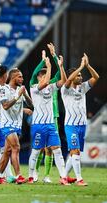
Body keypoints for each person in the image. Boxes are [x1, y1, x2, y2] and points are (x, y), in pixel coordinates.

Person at [27, 51, 69, 185]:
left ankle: (63, 177)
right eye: (43, 75)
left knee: (57, 149)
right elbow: (44, 83)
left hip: (50, 124)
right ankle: (31, 176)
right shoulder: (34, 88)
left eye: (46, 75)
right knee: (36, 151)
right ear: (39, 77)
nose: (46, 78)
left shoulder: (51, 88)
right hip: (38, 124)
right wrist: (47, 64)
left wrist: (60, 66)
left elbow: (63, 81)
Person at [62, 53, 99, 186]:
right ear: (72, 77)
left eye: (80, 75)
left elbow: (96, 77)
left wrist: (87, 66)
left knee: (74, 153)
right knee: (75, 151)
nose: (80, 76)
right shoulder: (65, 90)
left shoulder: (83, 87)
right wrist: (80, 66)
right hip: (70, 125)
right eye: (78, 75)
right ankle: (79, 179)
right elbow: (68, 80)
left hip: (82, 125)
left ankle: (64, 177)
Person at [0, 68, 33, 184]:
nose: (22, 78)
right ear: (13, 77)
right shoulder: (3, 89)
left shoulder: (21, 89)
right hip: (6, 124)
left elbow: (31, 104)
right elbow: (5, 106)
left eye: (22, 77)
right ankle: (19, 176)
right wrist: (17, 96)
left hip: (16, 124)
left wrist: (25, 94)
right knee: (16, 147)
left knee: (7, 151)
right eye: (19, 77)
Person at [31, 43, 62, 183]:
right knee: (40, 149)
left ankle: (47, 175)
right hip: (39, 119)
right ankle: (35, 172)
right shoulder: (34, 84)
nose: (43, 77)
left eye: (45, 75)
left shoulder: (52, 84)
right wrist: (43, 60)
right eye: (41, 75)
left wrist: (54, 55)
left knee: (50, 149)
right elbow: (33, 74)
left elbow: (60, 74)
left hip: (53, 117)